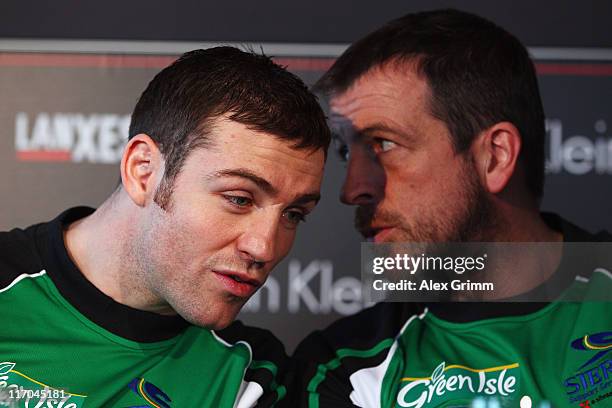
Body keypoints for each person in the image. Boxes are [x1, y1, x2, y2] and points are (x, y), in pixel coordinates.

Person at [290, 9, 612, 408]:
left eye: (384, 144)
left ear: (494, 157)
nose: (352, 189)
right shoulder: (342, 367)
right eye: (345, 151)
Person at [0, 46, 330, 407]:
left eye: (293, 215)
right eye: (239, 198)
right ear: (143, 172)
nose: (264, 248)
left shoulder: (250, 377)